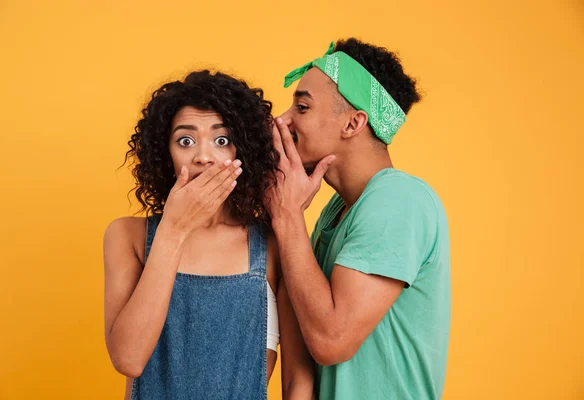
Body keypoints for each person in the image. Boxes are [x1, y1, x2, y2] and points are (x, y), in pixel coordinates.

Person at [103, 70, 314, 400]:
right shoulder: (127, 236)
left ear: (243, 152)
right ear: (165, 154)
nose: (203, 156)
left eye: (222, 140)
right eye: (185, 141)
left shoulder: (273, 244)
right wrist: (175, 228)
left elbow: (298, 381)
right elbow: (128, 358)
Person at [265, 38, 451, 399]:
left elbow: (330, 341)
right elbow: (302, 342)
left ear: (353, 123)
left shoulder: (399, 200)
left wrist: (287, 216)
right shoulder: (334, 211)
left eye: (302, 107)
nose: (283, 121)